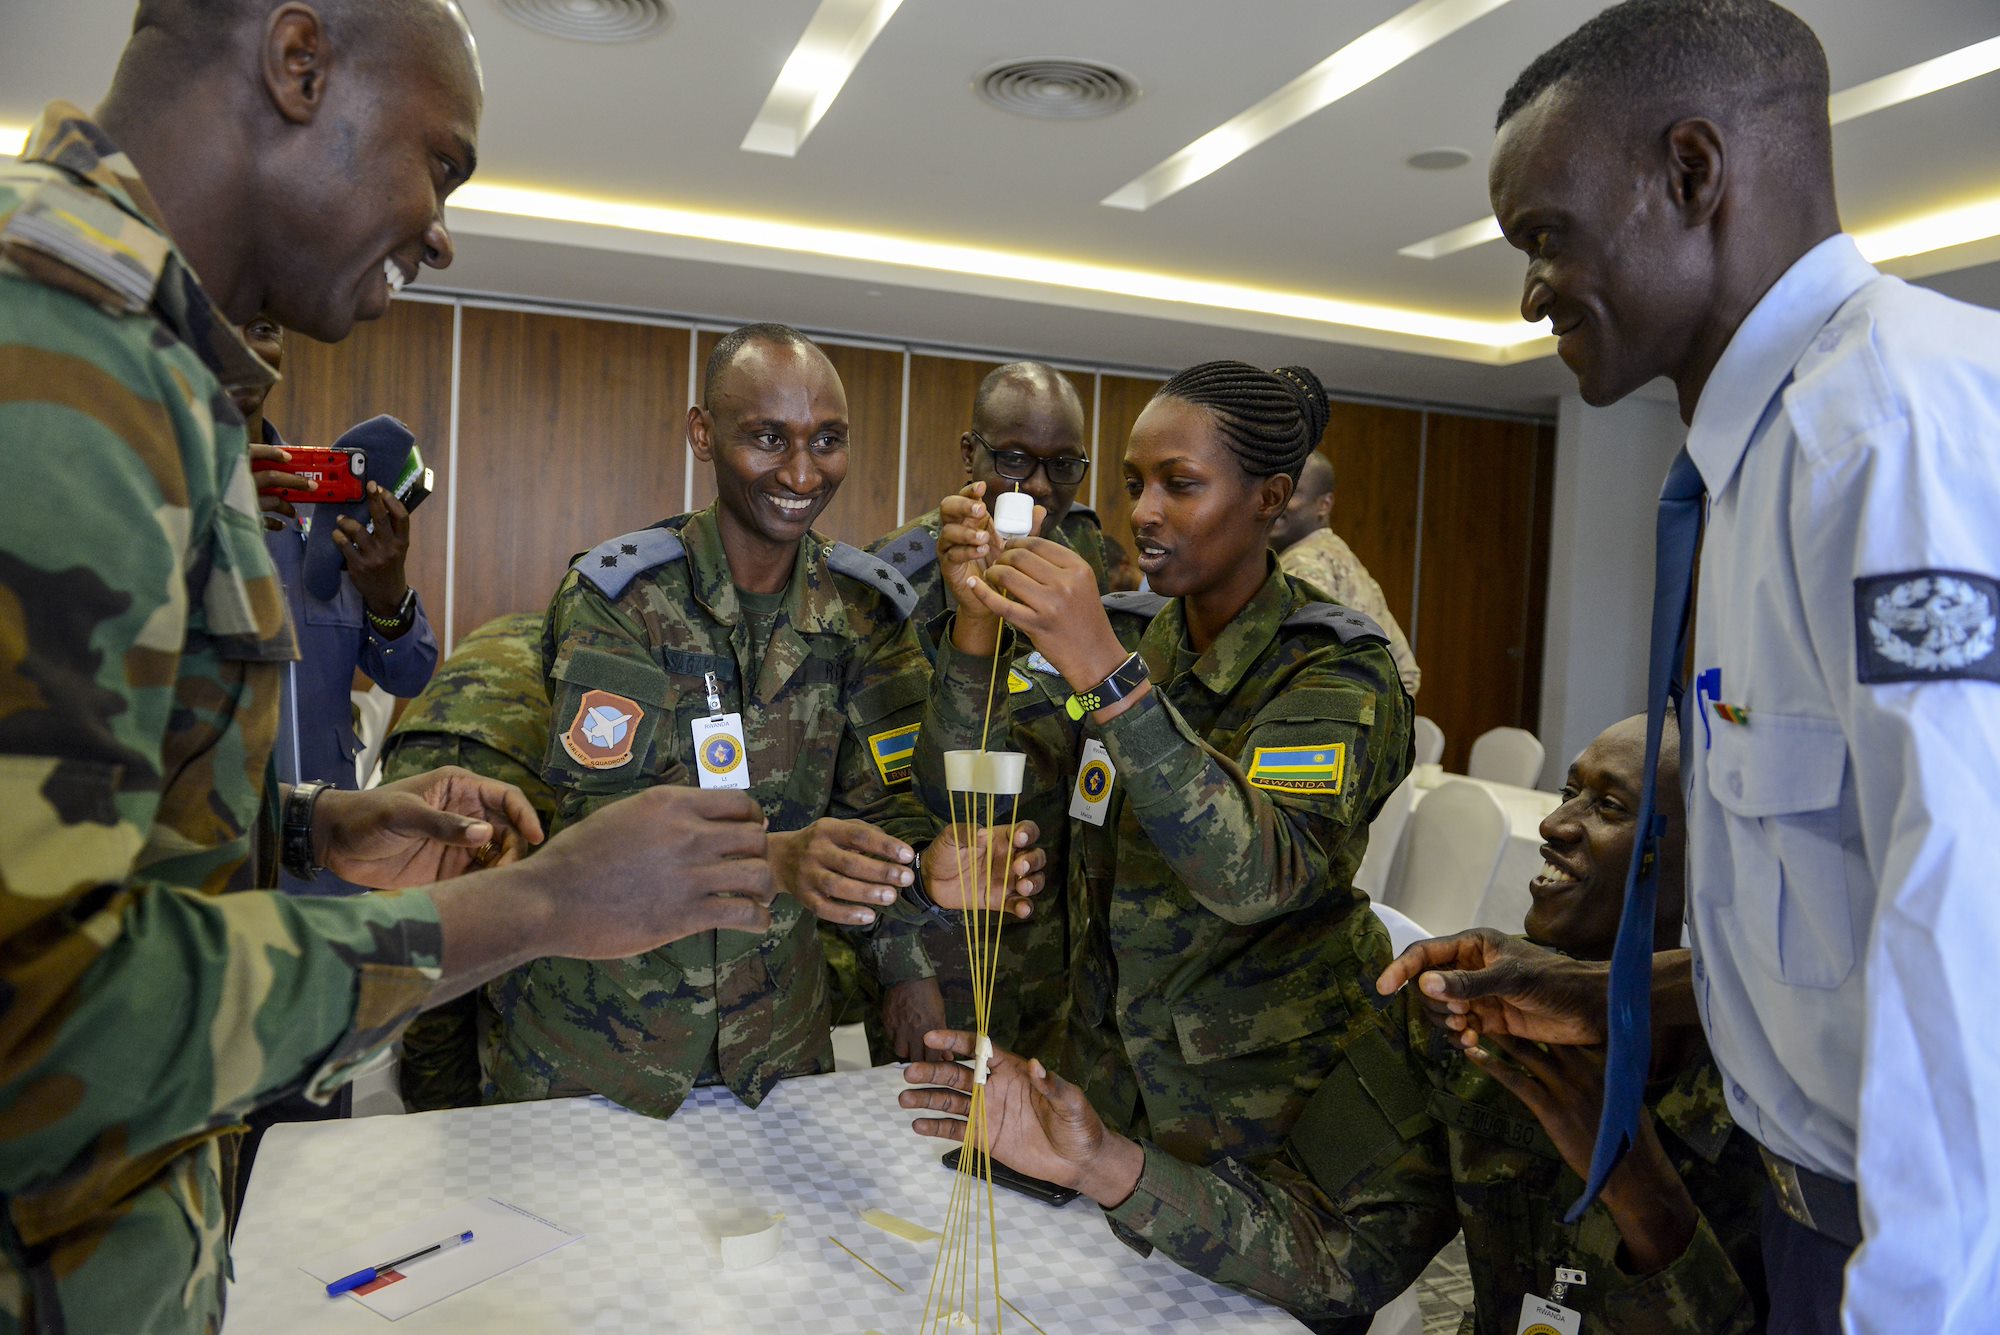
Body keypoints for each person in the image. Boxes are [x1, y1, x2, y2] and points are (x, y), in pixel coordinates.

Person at [0, 5, 784, 1328]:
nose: (442, 229)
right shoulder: (54, 366)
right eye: (444, 166)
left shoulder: (145, 367)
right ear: (298, 65)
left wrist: (307, 829)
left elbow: (85, 839)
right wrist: (543, 904)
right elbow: (42, 1023)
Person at [1379, 3, 2000, 1332]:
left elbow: (1967, 933)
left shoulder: (1888, 434)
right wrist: (1623, 991)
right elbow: (1827, 903)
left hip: (1910, 1250)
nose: (1532, 291)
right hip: (1802, 1221)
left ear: (1693, 173)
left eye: (1547, 235)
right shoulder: (1759, 457)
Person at [905, 714, 1771, 1334]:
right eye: (1566, 790)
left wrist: (1629, 1177)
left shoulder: (1774, 1082)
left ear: (1716, 859)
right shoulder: (1465, 1007)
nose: (1553, 824)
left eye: (1611, 807)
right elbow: (1339, 1251)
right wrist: (1101, 1161)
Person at [482, 323, 1046, 1116]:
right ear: (703, 434)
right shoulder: (624, 599)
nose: (801, 470)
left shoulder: (863, 609)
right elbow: (595, 834)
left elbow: (889, 813)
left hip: (775, 1053)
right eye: (768, 437)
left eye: (828, 440)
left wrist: (922, 881)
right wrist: (778, 859)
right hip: (602, 1046)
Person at [914, 360, 1414, 1168]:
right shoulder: (1129, 630)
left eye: (1180, 485)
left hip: (1252, 1122)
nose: (1143, 513)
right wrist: (975, 625)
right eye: (1134, 482)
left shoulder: (1334, 669)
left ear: (1269, 497)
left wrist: (1108, 675)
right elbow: (966, 795)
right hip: (1099, 1087)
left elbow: (1256, 876)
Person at [865, 360, 1104, 1063]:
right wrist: (902, 967)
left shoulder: (1083, 563)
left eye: (1063, 465)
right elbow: (879, 801)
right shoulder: (892, 584)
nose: (1037, 486)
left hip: (1061, 955)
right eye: (1014, 458)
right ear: (969, 453)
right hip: (948, 950)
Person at [241, 315, 440, 894]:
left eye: (262, 327)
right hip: (197, 853)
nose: (247, 349)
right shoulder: (148, 496)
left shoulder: (322, 513)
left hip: (324, 865)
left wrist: (387, 596)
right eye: (223, 321)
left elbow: (409, 674)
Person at [378, 612, 558, 1112]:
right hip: (513, 764)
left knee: (422, 949)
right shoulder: (589, 632)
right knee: (513, 955)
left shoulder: (502, 626)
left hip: (417, 753)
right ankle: (505, 1133)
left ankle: (438, 1117)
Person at [1270, 451, 1420, 696]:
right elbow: (1406, 672)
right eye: (1274, 488)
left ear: (1324, 504)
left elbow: (1296, 668)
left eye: (1294, 492)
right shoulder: (1342, 557)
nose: (1278, 501)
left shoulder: (1303, 564)